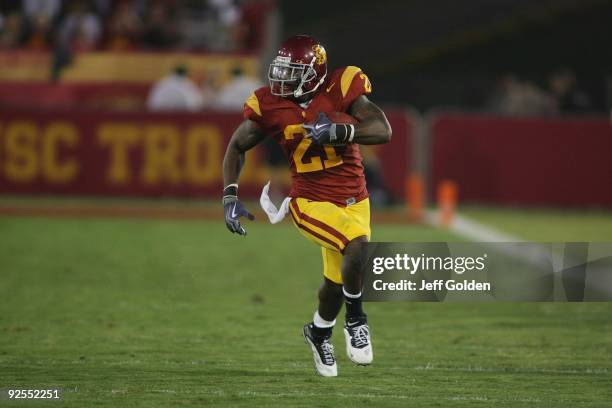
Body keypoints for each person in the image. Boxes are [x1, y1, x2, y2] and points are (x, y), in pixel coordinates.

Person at [221, 35, 392, 377]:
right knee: (357, 247)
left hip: (355, 199)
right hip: (309, 201)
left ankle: (318, 332)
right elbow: (237, 145)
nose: (281, 79)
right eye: (280, 70)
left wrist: (339, 133)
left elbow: (381, 129)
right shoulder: (269, 104)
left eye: (291, 71)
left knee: (335, 283)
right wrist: (229, 195)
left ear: (313, 74)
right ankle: (357, 320)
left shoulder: (342, 85)